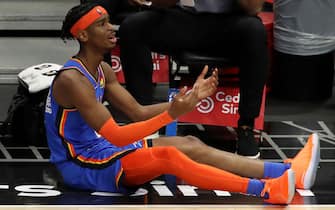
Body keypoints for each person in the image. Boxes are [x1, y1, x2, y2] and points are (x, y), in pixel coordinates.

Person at [45, 2, 320, 205]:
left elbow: (137, 112)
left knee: (190, 144)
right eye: (101, 24)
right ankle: (267, 189)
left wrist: (186, 102)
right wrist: (169, 115)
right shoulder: (73, 80)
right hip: (80, 165)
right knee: (169, 157)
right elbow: (116, 133)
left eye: (108, 21)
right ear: (82, 36)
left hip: (101, 151)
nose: (111, 28)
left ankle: (286, 170)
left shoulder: (103, 69)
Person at [119, 0, 269, 158]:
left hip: (230, 23)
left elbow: (254, 8)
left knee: (255, 31)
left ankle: (246, 127)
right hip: (185, 19)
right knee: (133, 26)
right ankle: (144, 121)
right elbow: (158, 3)